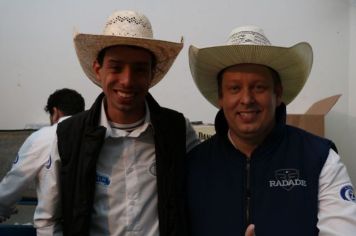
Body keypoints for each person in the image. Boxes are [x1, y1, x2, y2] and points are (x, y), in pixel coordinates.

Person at [186, 25, 356, 236]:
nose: (247, 99)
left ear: (278, 94)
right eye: (235, 88)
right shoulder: (193, 166)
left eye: (259, 87)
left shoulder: (320, 159)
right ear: (221, 98)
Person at [50, 10, 199, 235]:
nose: (127, 81)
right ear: (98, 70)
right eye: (116, 67)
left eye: (139, 69)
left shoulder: (177, 131)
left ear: (151, 74)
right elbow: (49, 218)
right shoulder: (69, 135)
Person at [0, 88, 85, 235]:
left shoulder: (42, 137)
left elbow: (15, 180)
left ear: (55, 112)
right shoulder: (94, 136)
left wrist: (3, 209)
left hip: (52, 230)